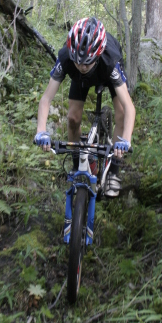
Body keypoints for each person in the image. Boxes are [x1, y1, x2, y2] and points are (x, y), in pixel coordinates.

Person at [34, 17, 135, 197]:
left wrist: (125, 140)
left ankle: (114, 170)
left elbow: (129, 107)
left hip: (105, 73)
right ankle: (76, 164)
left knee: (120, 113)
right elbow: (46, 99)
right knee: (73, 118)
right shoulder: (66, 58)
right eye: (77, 61)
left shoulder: (110, 61)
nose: (81, 66)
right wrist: (41, 131)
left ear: (97, 55)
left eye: (86, 62)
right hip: (80, 81)